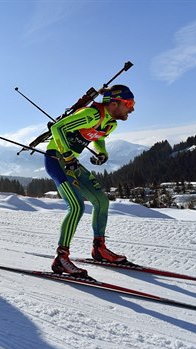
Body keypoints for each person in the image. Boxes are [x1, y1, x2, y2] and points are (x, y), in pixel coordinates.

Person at [44, 84, 135, 277]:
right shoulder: (91, 114)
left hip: (71, 162)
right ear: (115, 103)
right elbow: (58, 128)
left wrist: (102, 152)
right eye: (129, 103)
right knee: (76, 206)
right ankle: (61, 258)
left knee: (101, 200)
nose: (132, 108)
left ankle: (99, 249)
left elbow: (99, 137)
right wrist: (67, 155)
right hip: (56, 159)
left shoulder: (111, 123)